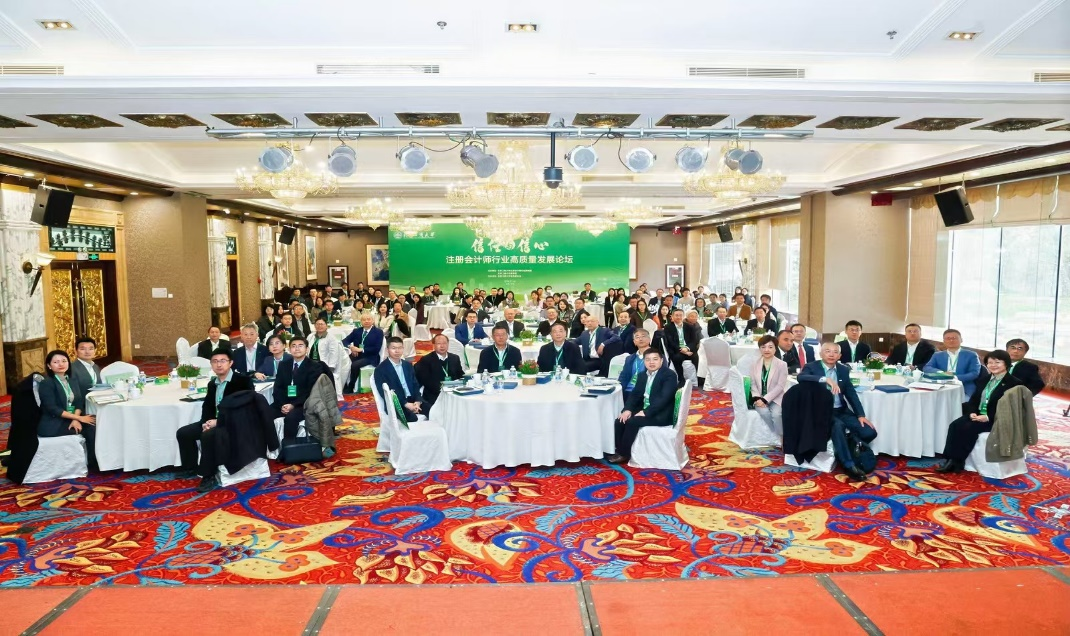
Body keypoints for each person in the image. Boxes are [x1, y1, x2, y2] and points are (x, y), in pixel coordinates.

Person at [175, 348, 255, 493]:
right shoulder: (213, 384)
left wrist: (218, 422)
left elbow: (245, 409)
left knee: (208, 436)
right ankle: (190, 467)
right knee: (183, 433)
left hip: (234, 423)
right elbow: (207, 407)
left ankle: (208, 475)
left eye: (223, 361)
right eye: (215, 361)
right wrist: (205, 422)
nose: (219, 364)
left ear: (231, 363)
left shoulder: (242, 381)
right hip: (213, 422)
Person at [798, 342, 878, 481]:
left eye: (835, 352)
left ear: (840, 355)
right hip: (822, 411)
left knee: (869, 432)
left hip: (841, 410)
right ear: (821, 353)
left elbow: (851, 393)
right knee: (838, 426)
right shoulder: (811, 367)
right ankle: (849, 465)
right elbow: (801, 377)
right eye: (827, 351)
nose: (831, 354)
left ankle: (846, 445)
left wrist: (860, 415)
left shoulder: (843, 369)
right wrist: (825, 379)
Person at [936, 349, 1023, 473]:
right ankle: (949, 458)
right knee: (955, 425)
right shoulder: (984, 379)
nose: (993, 365)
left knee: (968, 428)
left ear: (1006, 364)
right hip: (978, 414)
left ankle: (957, 461)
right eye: (990, 362)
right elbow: (974, 400)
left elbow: (1011, 407)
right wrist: (972, 412)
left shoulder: (1014, 383)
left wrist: (988, 417)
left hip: (997, 418)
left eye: (997, 362)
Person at [606, 348, 678, 465]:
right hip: (645, 408)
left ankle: (624, 454)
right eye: (648, 360)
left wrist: (646, 412)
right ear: (644, 362)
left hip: (661, 413)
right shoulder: (642, 375)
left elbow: (664, 398)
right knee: (620, 420)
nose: (651, 362)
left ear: (661, 360)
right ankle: (619, 450)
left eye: (655, 359)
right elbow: (635, 395)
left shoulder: (669, 375)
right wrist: (627, 409)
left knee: (632, 422)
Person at [38, 350, 97, 472]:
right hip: (54, 422)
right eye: (56, 362)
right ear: (49, 366)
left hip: (70, 418)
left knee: (97, 421)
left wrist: (76, 418)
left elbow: (78, 402)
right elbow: (52, 408)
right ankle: (93, 464)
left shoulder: (71, 380)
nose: (61, 364)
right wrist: (78, 418)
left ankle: (101, 459)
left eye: (64, 361)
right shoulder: (47, 383)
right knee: (90, 428)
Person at [272, 337, 328, 439]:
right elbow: (278, 388)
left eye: (300, 346)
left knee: (291, 418)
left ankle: (289, 446)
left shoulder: (314, 366)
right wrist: (282, 404)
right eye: (293, 346)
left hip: (304, 404)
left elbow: (311, 392)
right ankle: (271, 446)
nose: (297, 348)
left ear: (307, 349)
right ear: (289, 349)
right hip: (285, 402)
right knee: (266, 413)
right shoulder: (284, 365)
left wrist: (293, 405)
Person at [373, 336, 431, 422]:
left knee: (433, 411)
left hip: (412, 399)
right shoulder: (380, 369)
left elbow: (415, 385)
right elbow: (384, 393)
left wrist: (418, 401)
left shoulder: (407, 365)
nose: (397, 351)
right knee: (413, 418)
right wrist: (405, 404)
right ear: (387, 349)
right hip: (396, 404)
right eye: (393, 348)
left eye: (400, 348)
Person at [924, 329, 982, 405]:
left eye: (954, 338)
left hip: (964, 388)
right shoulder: (937, 355)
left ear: (961, 340)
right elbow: (927, 368)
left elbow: (974, 373)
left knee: (958, 405)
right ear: (944, 341)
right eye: (948, 338)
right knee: (932, 403)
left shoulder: (971, 355)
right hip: (941, 387)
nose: (951, 340)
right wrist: (942, 373)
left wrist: (954, 377)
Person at [751, 335, 789, 437]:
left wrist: (765, 399)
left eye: (770, 347)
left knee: (777, 415)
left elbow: (780, 386)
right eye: (763, 347)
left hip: (776, 398)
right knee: (764, 413)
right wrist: (758, 398)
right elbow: (753, 383)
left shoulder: (782, 364)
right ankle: (777, 435)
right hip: (759, 397)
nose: (766, 350)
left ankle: (782, 437)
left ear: (775, 349)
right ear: (759, 349)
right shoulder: (754, 364)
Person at [414, 334, 465, 406]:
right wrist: (443, 389)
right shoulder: (426, 360)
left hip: (454, 393)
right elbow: (426, 381)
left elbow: (460, 375)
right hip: (434, 395)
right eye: (439, 343)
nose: (442, 346)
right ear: (434, 345)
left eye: (444, 343)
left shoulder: (455, 358)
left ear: (448, 344)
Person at [617, 329, 667, 402]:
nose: (640, 339)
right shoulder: (629, 358)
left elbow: (662, 377)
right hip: (628, 392)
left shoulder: (658, 357)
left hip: (646, 393)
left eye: (643, 336)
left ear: (649, 339)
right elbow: (623, 376)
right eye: (637, 337)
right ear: (634, 342)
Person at [342, 312, 384, 393]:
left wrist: (361, 350)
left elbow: (376, 349)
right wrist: (351, 348)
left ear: (373, 321)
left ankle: (351, 386)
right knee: (344, 361)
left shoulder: (378, 332)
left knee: (355, 365)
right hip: (357, 354)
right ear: (361, 321)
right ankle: (344, 383)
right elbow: (344, 341)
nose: (366, 321)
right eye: (364, 320)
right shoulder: (356, 331)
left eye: (368, 319)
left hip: (371, 356)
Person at [663, 308, 701, 387]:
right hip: (676, 350)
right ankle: (681, 379)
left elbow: (694, 340)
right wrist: (681, 350)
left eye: (680, 315)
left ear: (683, 316)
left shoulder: (690, 327)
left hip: (688, 349)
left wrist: (687, 348)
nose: (678, 317)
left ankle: (699, 378)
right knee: (677, 358)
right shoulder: (668, 327)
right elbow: (670, 342)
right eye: (676, 315)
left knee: (697, 357)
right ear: (672, 317)